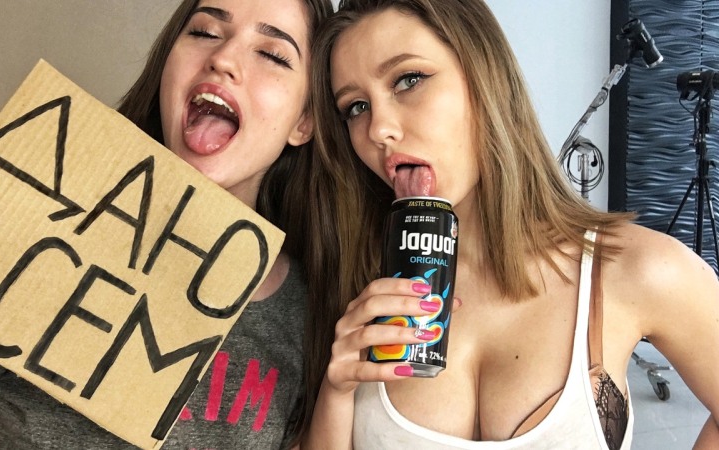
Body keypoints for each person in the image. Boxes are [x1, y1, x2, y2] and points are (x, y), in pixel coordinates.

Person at [302, 0, 719, 449]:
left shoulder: (637, 268)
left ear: (486, 77)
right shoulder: (357, 277)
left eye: (408, 80)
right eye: (356, 106)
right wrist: (336, 391)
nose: (378, 129)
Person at [0, 0, 333, 448]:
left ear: (305, 120)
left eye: (272, 54)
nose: (224, 58)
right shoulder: (31, 237)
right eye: (205, 32)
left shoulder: (309, 315)